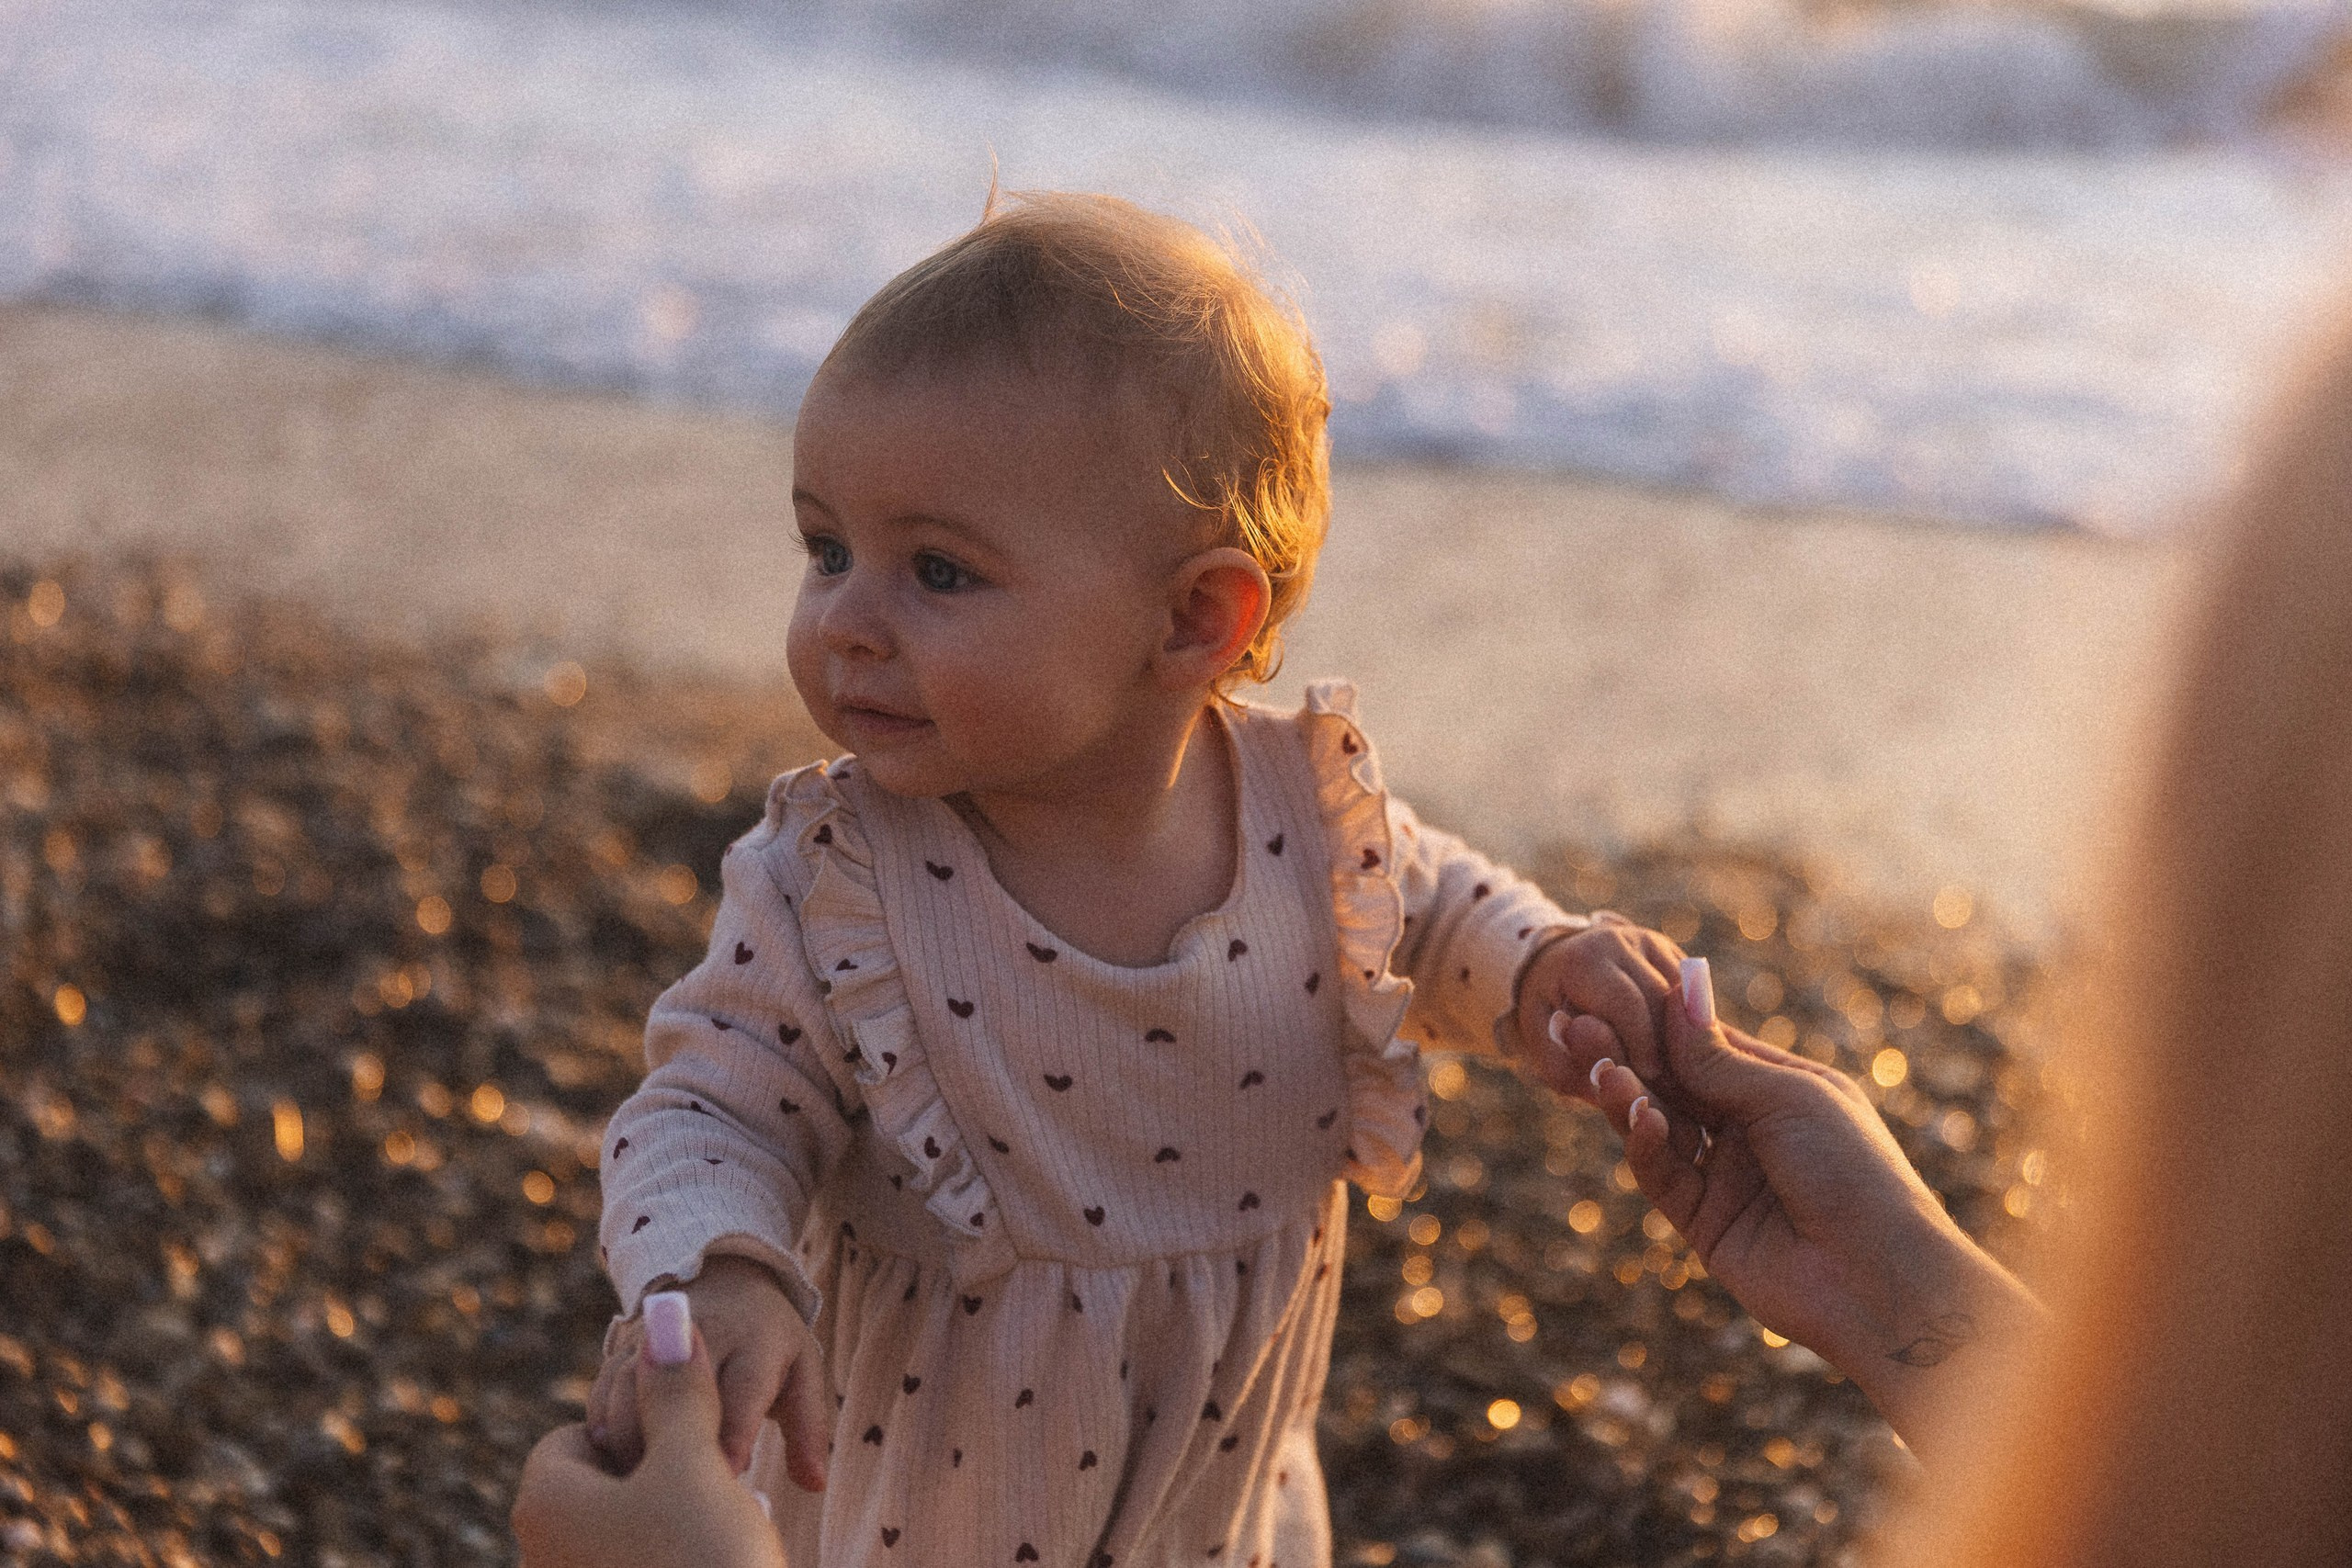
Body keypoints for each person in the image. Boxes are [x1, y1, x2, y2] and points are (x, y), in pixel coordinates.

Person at [577, 190, 1696, 1567]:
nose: (847, 621)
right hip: (932, 1507)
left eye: (937, 571)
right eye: (826, 550)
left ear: (1193, 619)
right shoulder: (840, 883)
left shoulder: (1301, 812)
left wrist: (1541, 971)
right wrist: (724, 1270)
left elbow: (1437, 908)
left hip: (1216, 1501)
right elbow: (710, 1107)